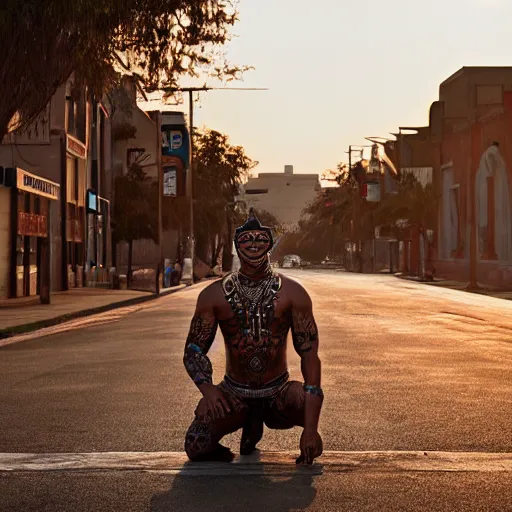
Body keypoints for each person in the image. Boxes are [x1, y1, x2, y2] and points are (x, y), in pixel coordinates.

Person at [183, 209, 323, 464]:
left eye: (260, 239)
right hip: (234, 393)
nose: (255, 244)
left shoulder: (294, 294)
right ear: (238, 245)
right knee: (197, 445)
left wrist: (311, 430)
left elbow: (310, 356)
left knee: (307, 407)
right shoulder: (214, 295)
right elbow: (193, 350)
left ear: (269, 244)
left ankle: (270, 422)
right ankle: (249, 419)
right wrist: (209, 391)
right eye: (248, 240)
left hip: (278, 391)